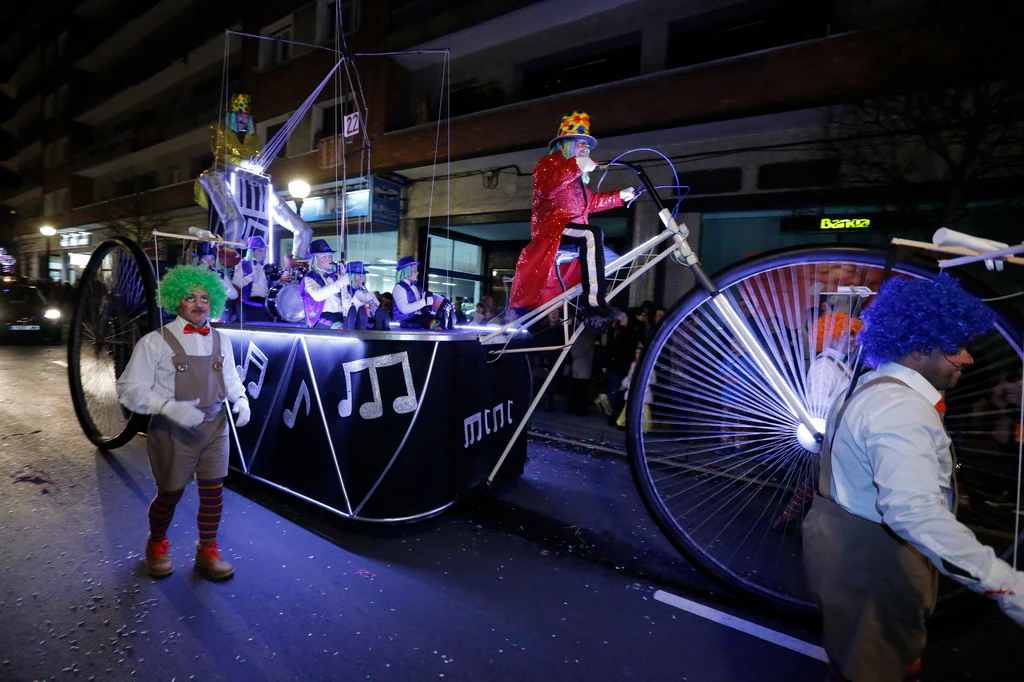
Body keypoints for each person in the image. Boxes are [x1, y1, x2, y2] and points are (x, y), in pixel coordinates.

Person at [802, 274, 1024, 682]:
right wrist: (1009, 586)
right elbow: (914, 513)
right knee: (879, 666)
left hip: (844, 553)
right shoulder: (900, 409)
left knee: (866, 658)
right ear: (919, 349)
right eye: (955, 348)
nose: (968, 360)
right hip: (876, 569)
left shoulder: (867, 386)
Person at [115, 265, 251, 580]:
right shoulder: (155, 342)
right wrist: (167, 407)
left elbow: (229, 377)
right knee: (171, 493)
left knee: (213, 491)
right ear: (176, 300)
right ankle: (157, 543)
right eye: (190, 297)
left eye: (205, 298)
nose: (199, 303)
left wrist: (240, 399)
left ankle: (207, 550)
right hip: (172, 430)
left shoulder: (221, 339)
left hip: (215, 426)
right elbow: (128, 389)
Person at [508, 112, 635, 321]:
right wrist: (575, 166)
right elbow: (546, 188)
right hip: (554, 229)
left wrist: (621, 196)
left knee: (611, 257)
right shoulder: (548, 163)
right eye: (580, 143)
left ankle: (585, 304)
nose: (585, 148)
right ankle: (594, 303)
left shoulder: (578, 182)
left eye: (587, 146)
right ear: (565, 144)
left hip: (574, 231)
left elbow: (592, 203)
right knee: (592, 234)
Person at [773, 310, 863, 534]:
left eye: (854, 334)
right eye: (848, 334)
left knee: (818, 482)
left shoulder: (840, 365)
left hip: (837, 434)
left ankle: (788, 519)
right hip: (830, 435)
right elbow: (818, 404)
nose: (853, 340)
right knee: (824, 484)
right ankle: (809, 527)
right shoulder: (825, 365)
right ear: (831, 335)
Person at [391, 255, 453, 330]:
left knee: (443, 320)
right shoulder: (399, 288)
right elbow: (404, 309)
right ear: (406, 271)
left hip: (419, 318)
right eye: (414, 270)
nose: (417, 272)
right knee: (437, 324)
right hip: (407, 321)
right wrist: (424, 302)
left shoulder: (416, 286)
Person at [300, 239, 350, 329]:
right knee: (341, 329)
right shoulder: (310, 277)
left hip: (338, 316)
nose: (329, 259)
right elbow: (318, 296)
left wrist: (347, 301)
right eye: (324, 257)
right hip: (320, 317)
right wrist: (340, 283)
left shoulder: (334, 276)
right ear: (315, 260)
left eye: (330, 256)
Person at [231, 235, 276, 323]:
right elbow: (236, 285)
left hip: (264, 303)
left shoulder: (266, 265)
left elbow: (271, 285)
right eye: (260, 251)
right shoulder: (242, 264)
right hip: (248, 303)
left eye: (264, 251)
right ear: (251, 251)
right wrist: (249, 277)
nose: (263, 254)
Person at [193, 241, 237, 322]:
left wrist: (221, 283)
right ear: (199, 260)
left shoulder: (220, 274)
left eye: (212, 259)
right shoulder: (193, 274)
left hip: (216, 312)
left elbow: (234, 295)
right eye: (205, 258)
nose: (209, 262)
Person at [343, 261, 384, 330]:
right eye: (359, 276)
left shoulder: (364, 291)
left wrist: (373, 305)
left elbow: (372, 311)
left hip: (364, 320)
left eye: (363, 276)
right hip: (350, 321)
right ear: (351, 277)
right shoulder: (345, 291)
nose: (362, 278)